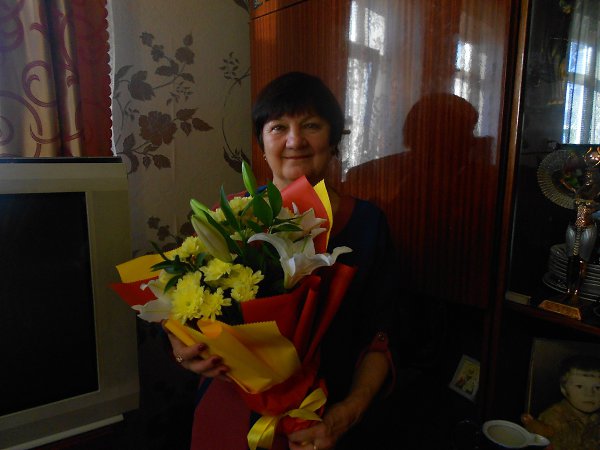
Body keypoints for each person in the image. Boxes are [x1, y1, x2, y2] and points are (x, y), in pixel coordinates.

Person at [166, 71, 400, 450]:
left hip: (323, 419)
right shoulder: (231, 217)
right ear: (261, 142)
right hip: (230, 412)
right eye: (278, 127)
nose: (295, 140)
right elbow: (184, 307)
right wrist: (181, 348)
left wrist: (347, 414)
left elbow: (383, 334)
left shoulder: (367, 224)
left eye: (311, 125)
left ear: (333, 139)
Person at [521, 354, 600, 450]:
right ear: (564, 389)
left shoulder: (596, 419)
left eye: (597, 388)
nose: (589, 394)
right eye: (579, 386)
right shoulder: (553, 419)